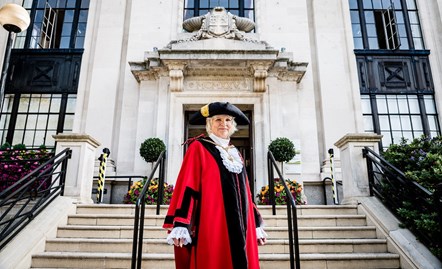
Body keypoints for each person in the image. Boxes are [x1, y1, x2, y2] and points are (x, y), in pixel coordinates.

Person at [163, 102, 267, 269]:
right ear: (209, 124)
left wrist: (255, 225)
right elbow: (187, 186)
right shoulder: (198, 147)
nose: (223, 124)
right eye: (218, 119)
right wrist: (182, 224)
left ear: (232, 125)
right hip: (213, 223)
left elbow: (246, 191)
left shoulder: (235, 153)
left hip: (243, 226)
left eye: (227, 120)